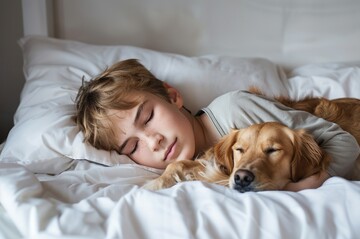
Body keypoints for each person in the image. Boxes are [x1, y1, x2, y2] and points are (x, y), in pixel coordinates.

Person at [74, 59, 359, 191]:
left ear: (172, 96)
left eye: (147, 117)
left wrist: (307, 185)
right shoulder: (196, 163)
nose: (153, 141)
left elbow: (345, 142)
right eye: (133, 146)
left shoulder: (235, 109)